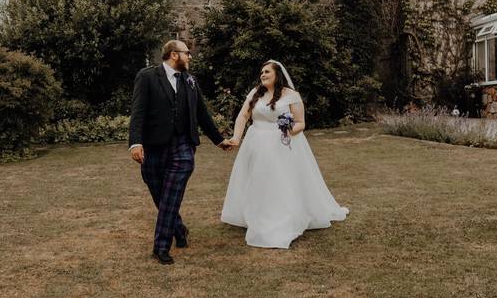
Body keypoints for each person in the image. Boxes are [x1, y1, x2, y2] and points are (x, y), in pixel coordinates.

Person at [219, 60, 348, 248]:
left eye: (267, 72)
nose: (262, 75)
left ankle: (279, 216)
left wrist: (288, 131)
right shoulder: (256, 93)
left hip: (280, 143)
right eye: (261, 72)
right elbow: (243, 116)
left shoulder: (291, 95)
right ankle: (255, 213)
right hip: (255, 142)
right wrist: (237, 138)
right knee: (255, 178)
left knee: (278, 180)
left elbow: (300, 123)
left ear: (277, 75)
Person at [128, 40, 233, 265]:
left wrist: (218, 140)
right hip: (154, 146)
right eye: (187, 53)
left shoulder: (190, 81)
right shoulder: (147, 77)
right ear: (174, 55)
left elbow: (202, 114)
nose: (190, 57)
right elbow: (138, 112)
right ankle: (179, 228)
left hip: (183, 146)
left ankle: (161, 246)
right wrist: (135, 143)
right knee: (161, 194)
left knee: (172, 194)